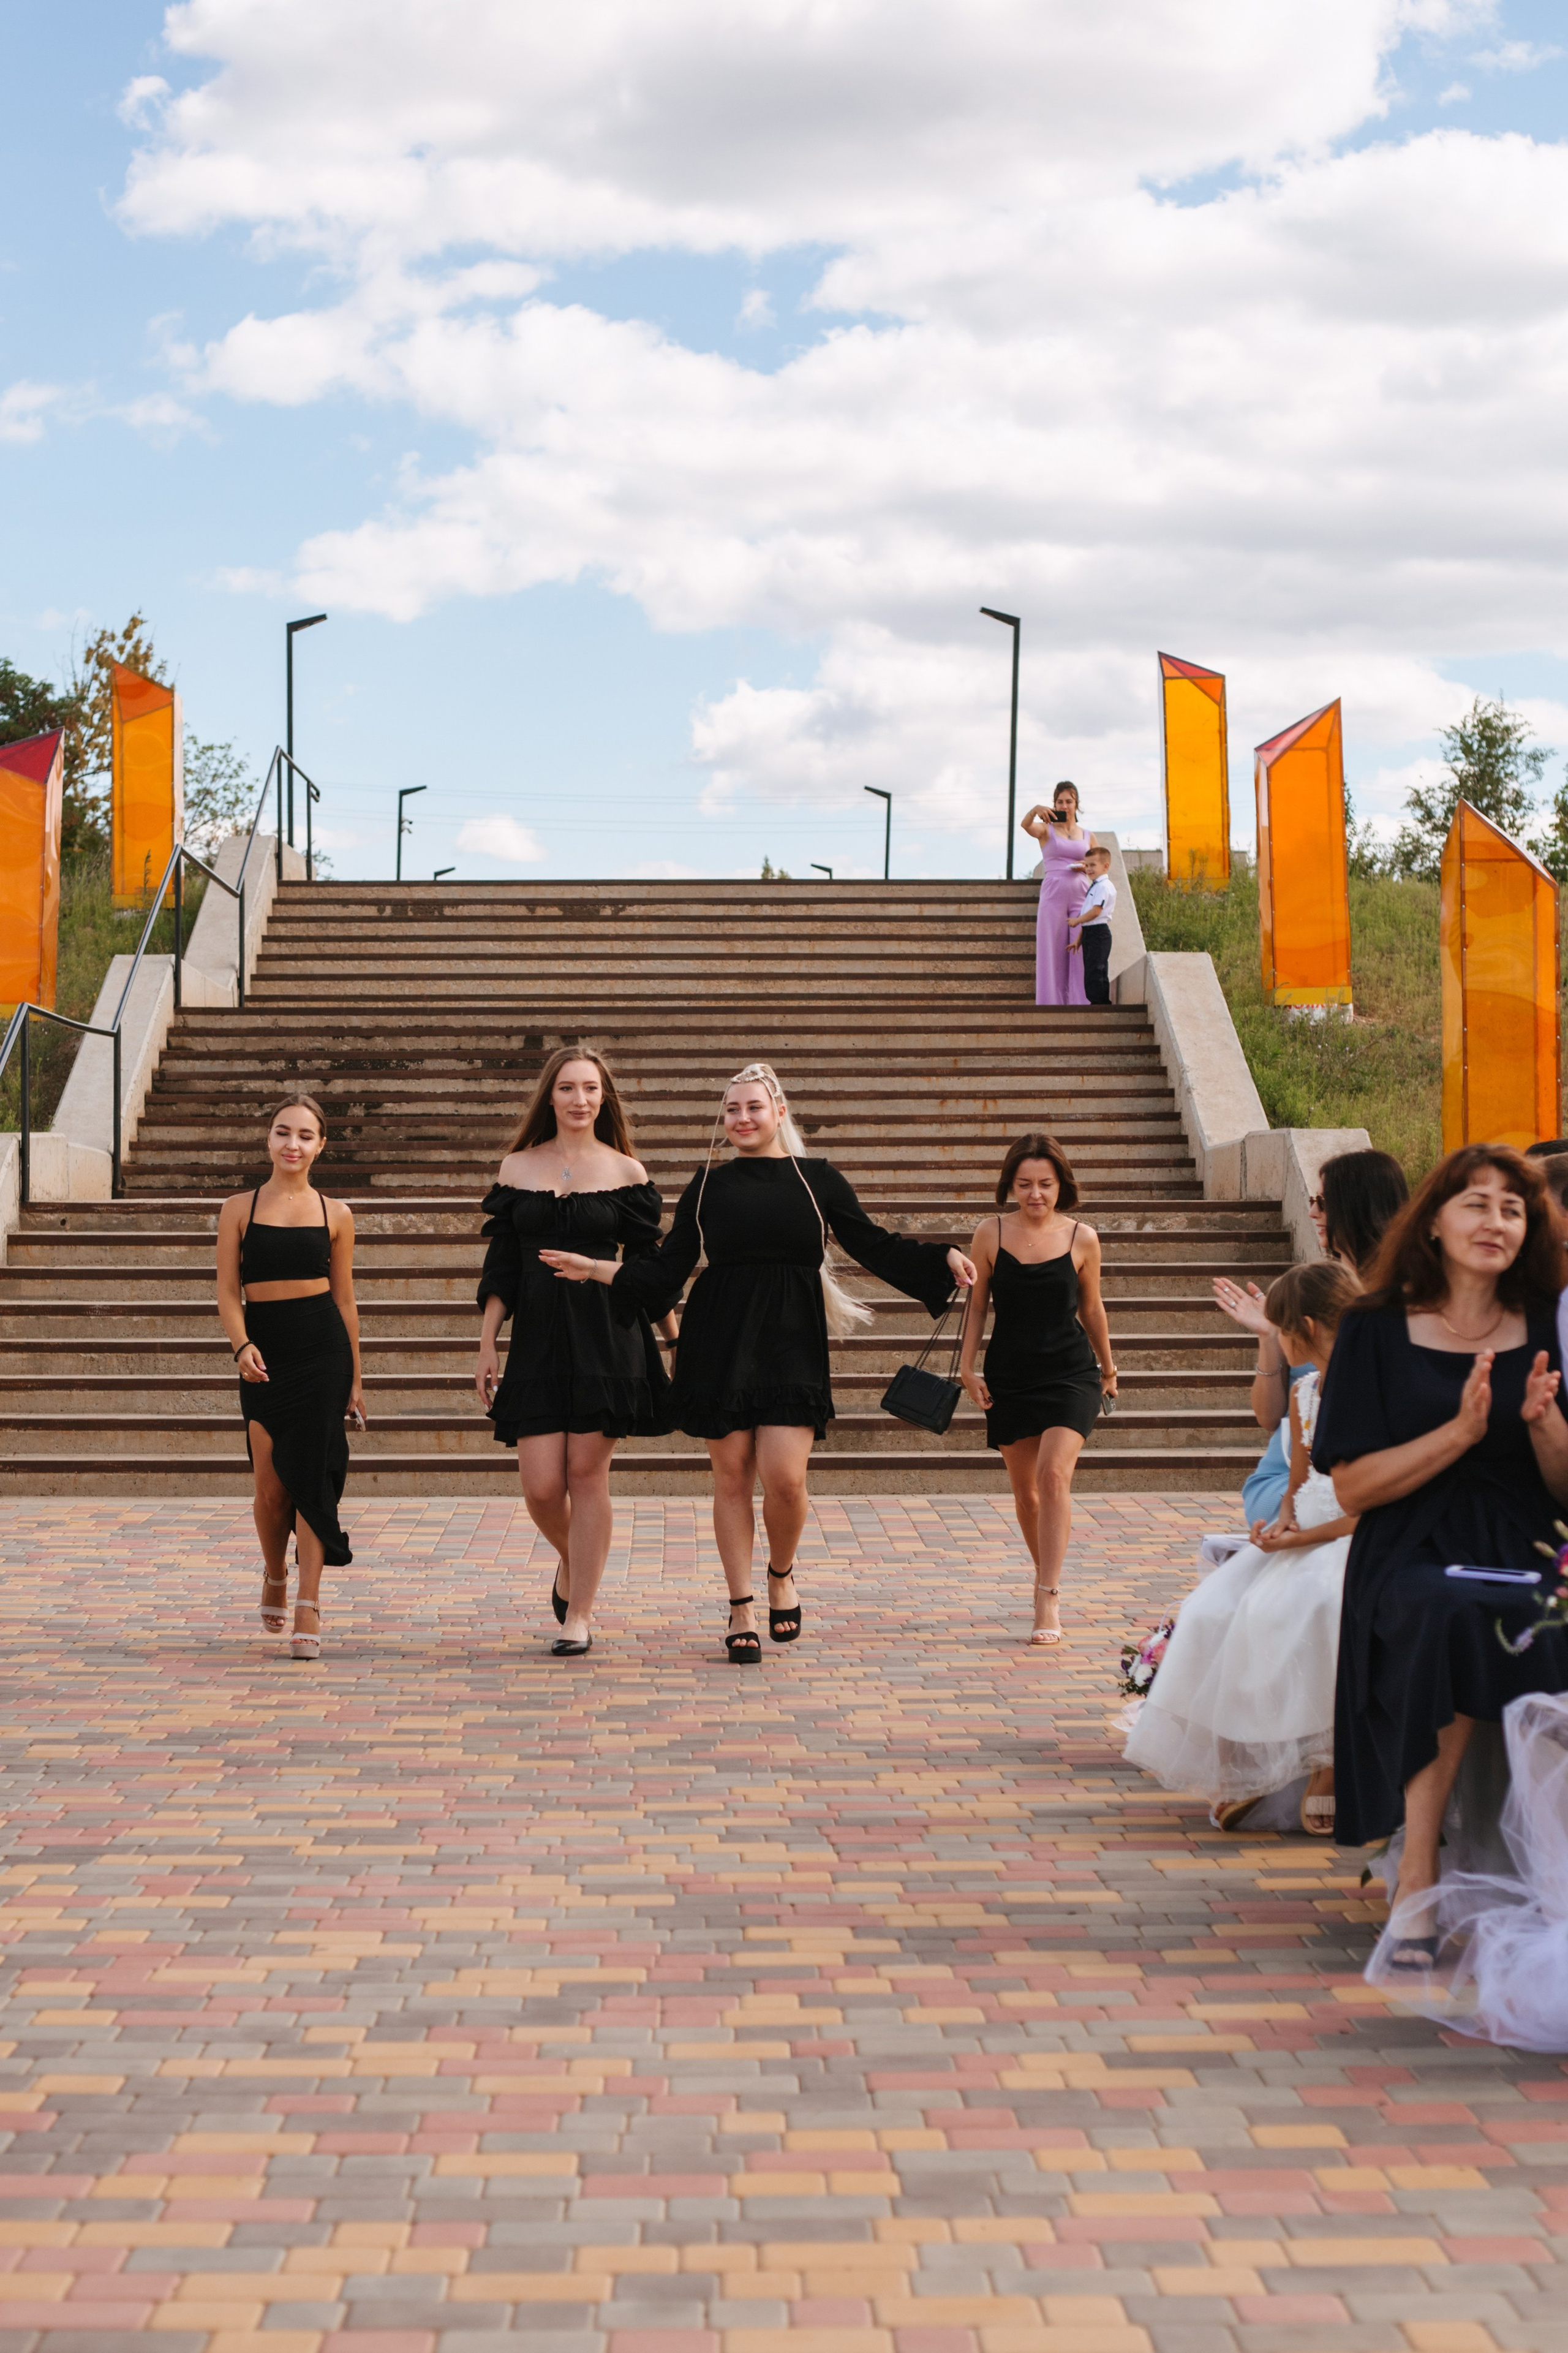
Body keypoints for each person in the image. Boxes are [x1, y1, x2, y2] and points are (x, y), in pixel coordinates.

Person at [541, 1062, 976, 1663]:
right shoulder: (706, 1186)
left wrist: (944, 1256)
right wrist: (594, 1268)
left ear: (779, 1111)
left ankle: (781, 1571)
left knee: (786, 1479)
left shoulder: (816, 1180)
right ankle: (740, 1605)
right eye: (732, 1109)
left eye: (753, 1107)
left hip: (792, 1341)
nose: (741, 1118)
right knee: (731, 1476)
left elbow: (873, 1243)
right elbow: (665, 1271)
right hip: (718, 1341)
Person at [1313, 1145, 1568, 1974]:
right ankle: (1416, 1872)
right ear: (1434, 1219)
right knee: (1449, 1612)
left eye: (1512, 1209)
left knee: (1538, 1614)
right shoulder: (1376, 1326)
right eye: (1477, 1203)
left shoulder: (1549, 1321)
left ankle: (1548, 1869)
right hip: (1410, 1544)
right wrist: (1457, 1433)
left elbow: (1563, 1487)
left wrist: (1541, 1427)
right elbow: (1352, 1487)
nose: (1495, 1221)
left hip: (1525, 1538)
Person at [1123, 1260, 1359, 1834]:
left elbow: (1369, 1497)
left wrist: (1305, 1534)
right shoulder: (1306, 1389)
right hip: (1307, 1527)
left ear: (1304, 1326)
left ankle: (1328, 1760)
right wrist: (1279, 1524)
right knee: (1215, 1608)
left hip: (1357, 1532)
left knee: (1316, 1605)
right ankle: (1241, 1766)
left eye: (1280, 1329)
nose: (1277, 1339)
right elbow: (1298, 1479)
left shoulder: (1375, 1384)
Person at [474, 1048, 674, 1658]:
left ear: (604, 1099)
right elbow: (502, 1265)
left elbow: (650, 1272)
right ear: (550, 1096)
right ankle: (575, 1562)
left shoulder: (627, 1174)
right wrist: (487, 1340)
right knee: (539, 1487)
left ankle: (578, 1613)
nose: (580, 1099)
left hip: (606, 1334)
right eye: (568, 1088)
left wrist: (674, 1335)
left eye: (591, 1089)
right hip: (536, 1337)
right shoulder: (516, 1168)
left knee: (587, 1475)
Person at [216, 1095, 363, 1661]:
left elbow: (346, 1299)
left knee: (313, 1480)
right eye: (283, 1132)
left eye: (305, 1135)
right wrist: (242, 1345)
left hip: (323, 1350)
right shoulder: (238, 1208)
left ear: (321, 1145)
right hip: (265, 1349)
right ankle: (276, 1570)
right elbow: (230, 1291)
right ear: (268, 1139)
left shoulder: (337, 1213)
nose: (293, 1144)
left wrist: (356, 1378)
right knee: (271, 1487)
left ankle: (310, 1603)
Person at [958, 1133, 1114, 1645]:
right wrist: (966, 1366)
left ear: (1060, 1185)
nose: (1035, 1194)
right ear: (1011, 1185)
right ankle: (1045, 1570)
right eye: (1024, 1184)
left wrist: (1108, 1367)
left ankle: (1047, 1594)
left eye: (1045, 1184)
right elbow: (977, 1306)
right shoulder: (989, 1233)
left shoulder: (1082, 1238)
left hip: (1071, 1372)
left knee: (1052, 1476)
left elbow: (1091, 1308)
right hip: (1010, 1375)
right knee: (1025, 1493)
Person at [1214, 1148, 1409, 1525]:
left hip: (1355, 1479)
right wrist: (1270, 1337)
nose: (1312, 1213)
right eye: (1311, 1200)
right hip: (1286, 1474)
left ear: (1359, 1205)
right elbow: (1270, 1417)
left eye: (1322, 1202)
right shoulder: (1315, 1289)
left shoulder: (1400, 1304)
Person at [1021, 782, 1095, 1008]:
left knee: (1080, 947)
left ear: (1076, 804)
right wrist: (1035, 810)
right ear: (1054, 804)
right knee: (1051, 950)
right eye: (1060, 802)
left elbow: (1099, 865)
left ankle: (1080, 1001)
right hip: (1054, 893)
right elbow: (1025, 826)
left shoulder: (1088, 835)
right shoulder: (1046, 830)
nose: (1065, 805)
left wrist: (1087, 866)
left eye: (1069, 801)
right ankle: (1050, 1003)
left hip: (1081, 894)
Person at [1065, 845, 1116, 1007]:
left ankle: (1101, 1004)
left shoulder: (1103, 886)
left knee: (1097, 970)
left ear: (1105, 866)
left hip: (1099, 933)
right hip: (1090, 932)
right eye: (1087, 866)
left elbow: (1095, 912)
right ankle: (1096, 1002)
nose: (1089, 869)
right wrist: (1079, 940)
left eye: (1093, 865)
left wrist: (1076, 921)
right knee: (1091, 970)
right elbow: (1089, 916)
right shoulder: (1094, 886)